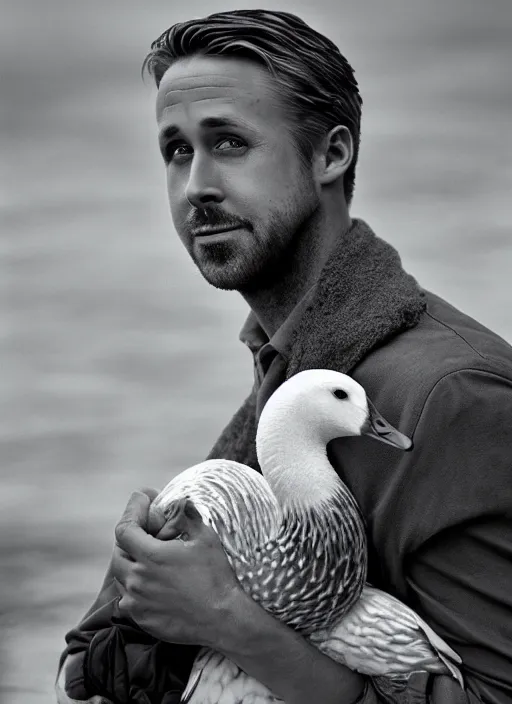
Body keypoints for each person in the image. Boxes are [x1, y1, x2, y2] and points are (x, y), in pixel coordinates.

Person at [56, 9, 512, 704]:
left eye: (230, 143)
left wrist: (229, 620)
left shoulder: (454, 400)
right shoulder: (287, 375)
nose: (197, 186)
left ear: (331, 155)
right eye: (176, 151)